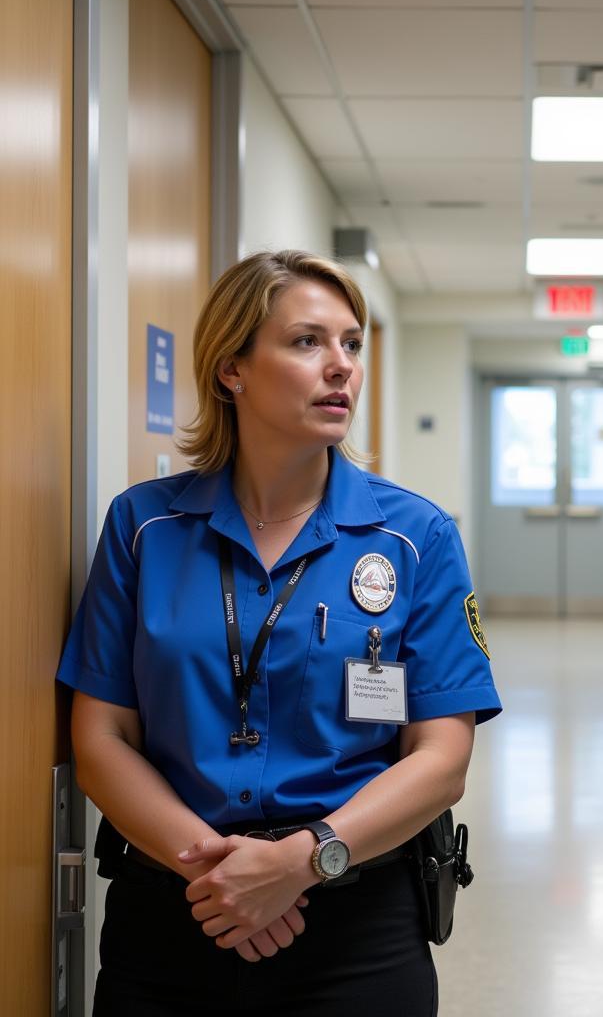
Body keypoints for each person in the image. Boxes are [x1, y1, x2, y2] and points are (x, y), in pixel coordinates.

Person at [57, 250, 501, 1016]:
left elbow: (442, 758)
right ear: (232, 368)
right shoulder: (145, 527)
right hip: (173, 915)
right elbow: (100, 738)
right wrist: (222, 876)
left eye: (352, 344)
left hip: (354, 923)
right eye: (307, 342)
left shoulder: (413, 537)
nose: (342, 368)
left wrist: (300, 862)